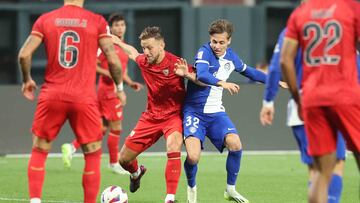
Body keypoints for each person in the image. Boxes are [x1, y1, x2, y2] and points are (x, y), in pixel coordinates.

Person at [18, 1, 126, 203]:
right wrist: (120, 88)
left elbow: (24, 54)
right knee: (92, 154)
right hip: (84, 98)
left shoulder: (46, 19)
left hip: (52, 94)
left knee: (40, 149)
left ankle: (34, 200)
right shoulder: (96, 21)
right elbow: (112, 60)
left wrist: (27, 80)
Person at [175, 19, 268, 203]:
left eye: (221, 42)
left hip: (216, 113)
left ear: (229, 41)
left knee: (235, 144)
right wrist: (223, 83)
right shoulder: (204, 51)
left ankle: (230, 190)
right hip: (194, 112)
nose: (217, 46)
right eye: (214, 41)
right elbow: (201, 74)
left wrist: (273, 80)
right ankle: (192, 189)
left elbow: (250, 72)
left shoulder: (231, 57)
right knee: (193, 157)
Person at [280, 0, 360, 202]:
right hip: (345, 94)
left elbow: (284, 60)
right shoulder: (350, 7)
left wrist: (298, 99)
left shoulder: (300, 13)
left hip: (312, 98)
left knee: (321, 172)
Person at [260, 26, 350, 203]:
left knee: (316, 171)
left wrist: (268, 100)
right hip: (333, 102)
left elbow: (278, 64)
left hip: (301, 105)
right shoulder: (337, 26)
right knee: (335, 165)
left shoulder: (291, 28)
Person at [113, 26, 199, 203]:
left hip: (173, 116)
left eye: (149, 47)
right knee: (123, 160)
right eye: (144, 47)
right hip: (151, 117)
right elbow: (132, 52)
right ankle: (136, 173)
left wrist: (188, 75)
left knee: (173, 146)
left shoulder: (176, 63)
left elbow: (200, 78)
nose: (146, 52)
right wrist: (116, 41)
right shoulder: (144, 61)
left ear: (162, 45)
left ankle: (170, 198)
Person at [61, 13, 143, 175]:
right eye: (116, 25)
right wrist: (110, 74)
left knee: (101, 127)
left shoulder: (123, 45)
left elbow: (120, 70)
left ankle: (71, 147)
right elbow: (93, 64)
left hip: (111, 90)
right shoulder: (105, 44)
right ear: (110, 28)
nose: (120, 28)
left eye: (122, 25)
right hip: (108, 92)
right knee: (116, 127)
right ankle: (114, 163)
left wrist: (129, 82)